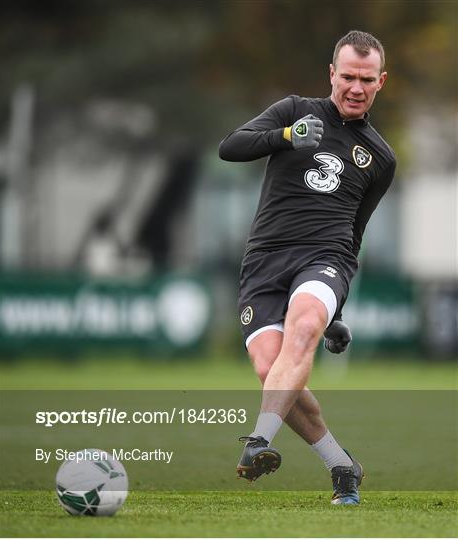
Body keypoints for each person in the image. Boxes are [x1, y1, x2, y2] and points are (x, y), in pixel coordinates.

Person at [218, 30, 396, 505]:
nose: (356, 88)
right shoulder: (295, 111)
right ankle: (342, 466)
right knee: (271, 370)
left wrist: (334, 309)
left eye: (366, 79)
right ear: (331, 74)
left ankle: (258, 442)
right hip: (265, 260)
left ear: (381, 81)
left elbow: (355, 235)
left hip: (325, 258)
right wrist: (285, 137)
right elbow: (230, 147)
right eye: (348, 77)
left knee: (303, 332)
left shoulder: (381, 158)